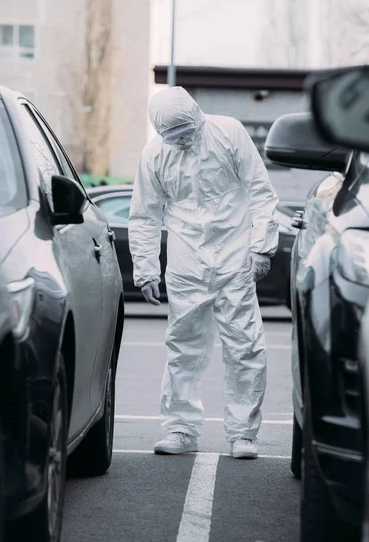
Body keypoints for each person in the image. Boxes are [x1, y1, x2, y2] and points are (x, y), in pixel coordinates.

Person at [128, 86, 279, 459]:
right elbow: (144, 215)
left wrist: (261, 248)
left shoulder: (229, 133)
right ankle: (180, 427)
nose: (182, 142)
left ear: (198, 117)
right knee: (183, 347)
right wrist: (146, 269)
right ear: (161, 133)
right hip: (186, 262)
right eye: (173, 137)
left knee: (244, 347)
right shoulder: (154, 155)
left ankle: (243, 433)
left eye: (187, 134)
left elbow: (261, 191)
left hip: (234, 257)